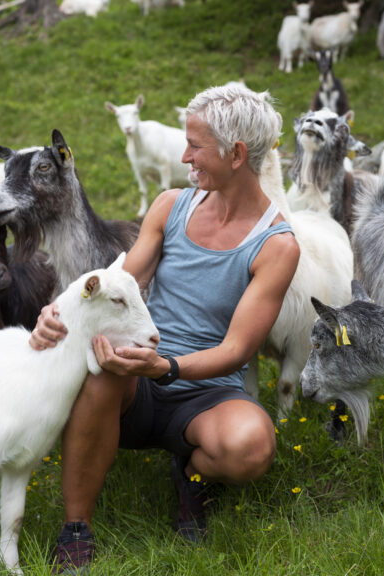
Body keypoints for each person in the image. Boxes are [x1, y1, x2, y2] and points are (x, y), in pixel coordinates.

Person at [30, 85, 300, 574]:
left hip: (207, 389)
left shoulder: (277, 244)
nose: (184, 155)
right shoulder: (171, 205)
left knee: (253, 447)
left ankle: (193, 474)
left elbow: (238, 349)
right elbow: (121, 285)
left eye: (195, 146)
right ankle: (76, 529)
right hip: (137, 377)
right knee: (99, 369)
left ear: (236, 154)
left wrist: (167, 366)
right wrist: (59, 312)